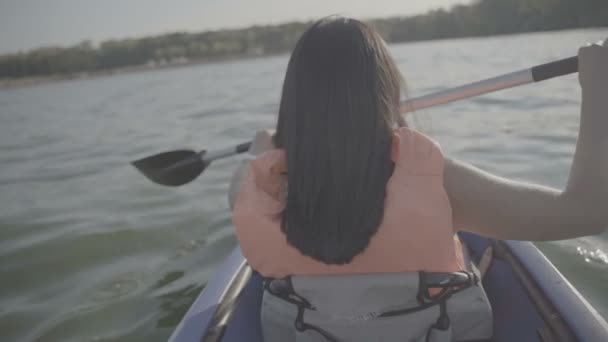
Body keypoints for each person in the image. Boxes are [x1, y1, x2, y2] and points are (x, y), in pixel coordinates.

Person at [228, 16, 607, 341]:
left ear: (295, 102)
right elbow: (587, 210)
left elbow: (248, 176)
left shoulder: (255, 189)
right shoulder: (440, 184)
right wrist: (599, 90)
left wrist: (258, 152)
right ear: (386, 91)